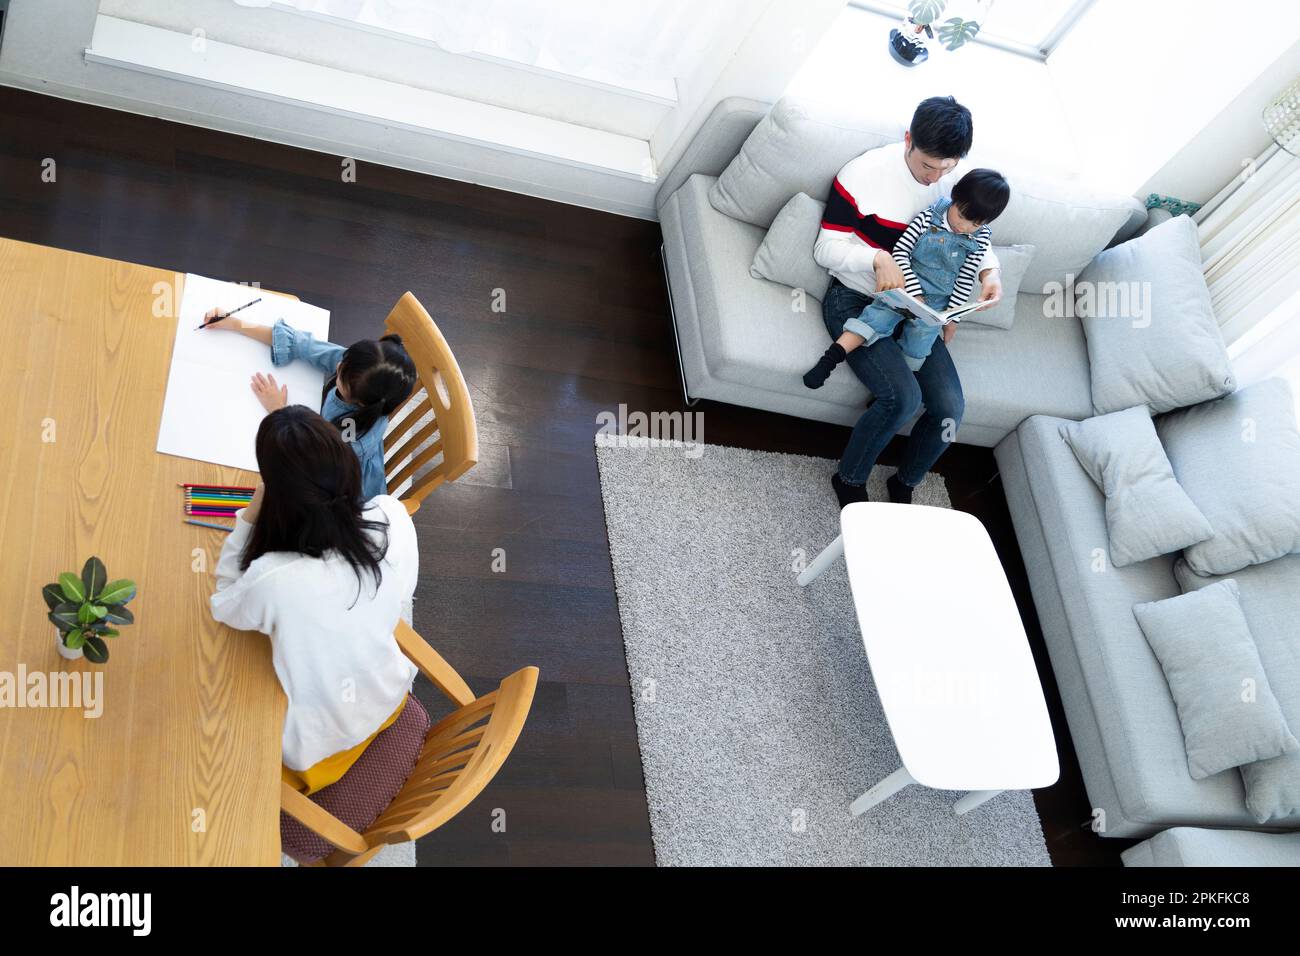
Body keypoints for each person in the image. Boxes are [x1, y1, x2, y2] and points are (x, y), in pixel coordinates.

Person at [209, 405, 419, 794]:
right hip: (390, 697)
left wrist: (248, 518)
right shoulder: (394, 517)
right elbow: (397, 592)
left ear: (278, 498)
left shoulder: (274, 578)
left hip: (314, 755)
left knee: (209, 711)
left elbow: (223, 604)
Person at [812, 95, 1003, 508]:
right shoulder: (863, 174)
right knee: (903, 397)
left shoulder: (956, 176)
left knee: (951, 408)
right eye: (926, 165)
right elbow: (825, 249)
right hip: (857, 298)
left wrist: (991, 274)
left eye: (946, 168)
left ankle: (906, 483)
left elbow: (974, 232)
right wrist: (877, 258)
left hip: (922, 309)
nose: (936, 178)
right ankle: (849, 478)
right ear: (907, 140)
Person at [804, 168, 1009, 382]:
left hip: (938, 303)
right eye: (962, 216)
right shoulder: (930, 216)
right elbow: (900, 252)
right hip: (906, 285)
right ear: (955, 196)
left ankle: (900, 382)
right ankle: (830, 359)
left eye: (975, 224)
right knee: (876, 318)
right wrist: (913, 293)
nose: (963, 226)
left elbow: (965, 279)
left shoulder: (980, 239)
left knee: (919, 344)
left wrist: (952, 317)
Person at [201, 308, 417, 501]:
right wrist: (236, 324)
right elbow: (302, 344)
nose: (339, 364)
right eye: (345, 360)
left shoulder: (351, 439)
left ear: (360, 402)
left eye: (341, 374)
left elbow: (309, 455)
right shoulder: (360, 374)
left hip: (341, 493)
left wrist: (279, 410)